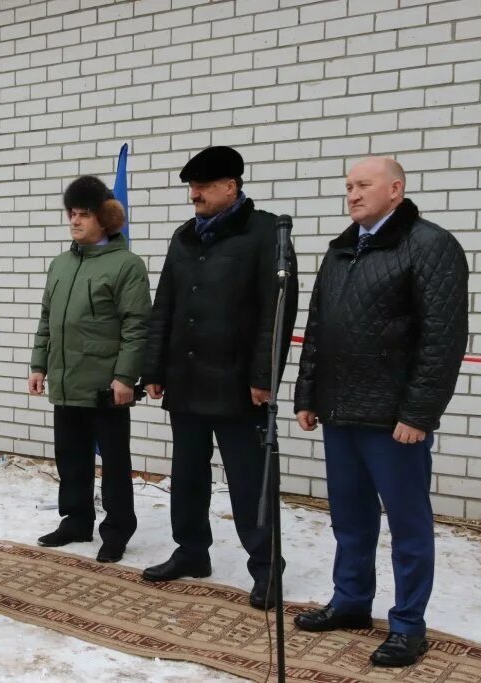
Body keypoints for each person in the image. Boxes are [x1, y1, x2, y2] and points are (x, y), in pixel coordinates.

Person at [293, 157, 468, 667]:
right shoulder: (342, 248)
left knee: (408, 526)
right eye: (348, 186)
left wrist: (419, 414)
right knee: (350, 519)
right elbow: (318, 328)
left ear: (396, 189)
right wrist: (308, 395)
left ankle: (408, 624)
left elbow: (442, 340)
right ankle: (350, 601)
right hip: (340, 412)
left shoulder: (430, 246)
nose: (352, 194)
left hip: (395, 421)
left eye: (363, 185)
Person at [140, 146, 299, 610]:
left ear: (231, 186)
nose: (195, 195)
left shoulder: (266, 232)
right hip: (185, 378)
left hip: (237, 385)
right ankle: (192, 551)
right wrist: (154, 368)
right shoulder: (184, 237)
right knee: (187, 475)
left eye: (203, 187)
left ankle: (267, 568)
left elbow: (278, 310)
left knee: (250, 481)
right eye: (192, 187)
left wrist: (264, 375)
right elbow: (164, 303)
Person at [28, 176, 151, 564]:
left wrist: (125, 376)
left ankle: (116, 531)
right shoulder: (60, 264)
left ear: (106, 219)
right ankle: (76, 520)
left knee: (114, 463)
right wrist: (39, 364)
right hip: (66, 382)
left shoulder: (126, 266)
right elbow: (48, 319)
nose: (75, 221)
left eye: (84, 215)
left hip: (106, 386)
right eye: (72, 214)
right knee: (71, 458)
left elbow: (136, 325)